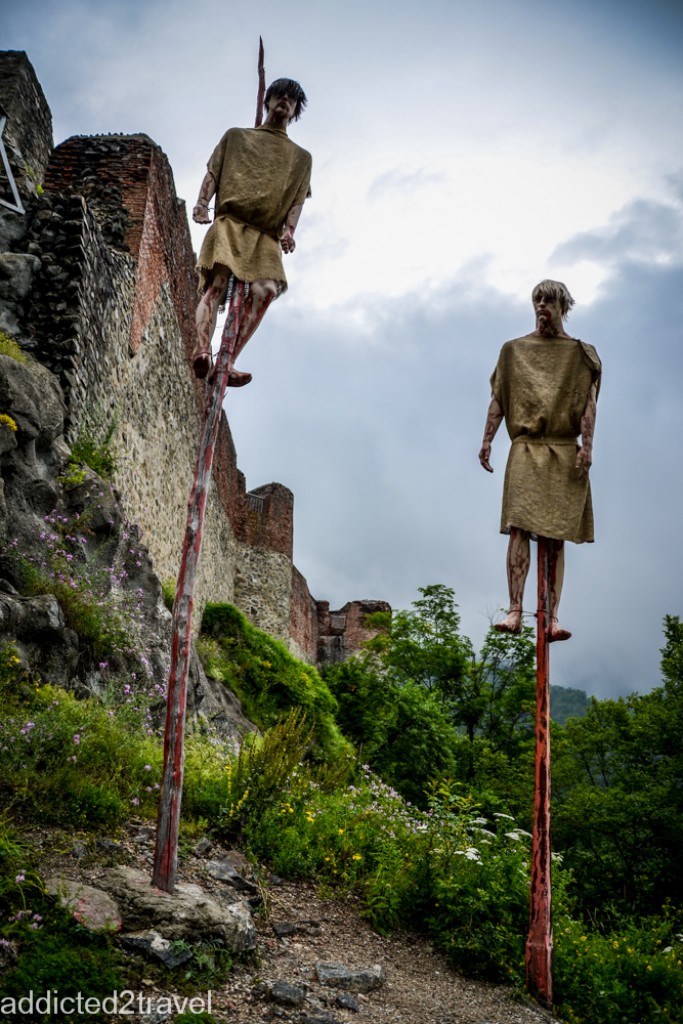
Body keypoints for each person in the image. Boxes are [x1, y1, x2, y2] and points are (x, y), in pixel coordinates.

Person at [478, 280, 601, 641]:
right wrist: (487, 440)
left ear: (563, 305)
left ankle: (552, 617)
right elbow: (499, 399)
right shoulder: (513, 351)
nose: (542, 305)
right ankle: (515, 609)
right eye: (537, 299)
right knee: (519, 527)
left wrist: (588, 447)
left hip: (565, 448)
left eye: (549, 299)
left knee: (556, 534)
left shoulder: (582, 354)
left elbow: (589, 405)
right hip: (527, 447)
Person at [191, 78, 312, 384]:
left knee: (266, 290)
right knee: (217, 286)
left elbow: (297, 199)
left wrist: (290, 231)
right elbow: (213, 173)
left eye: (291, 99)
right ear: (268, 101)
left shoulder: (301, 158)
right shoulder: (237, 137)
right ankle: (202, 351)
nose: (284, 101)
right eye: (279, 96)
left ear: (296, 109)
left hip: (266, 236)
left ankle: (226, 362)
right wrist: (202, 203)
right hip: (231, 222)